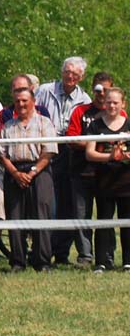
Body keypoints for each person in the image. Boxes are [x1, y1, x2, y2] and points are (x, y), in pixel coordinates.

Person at [35, 57, 92, 265]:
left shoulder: (84, 99)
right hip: (46, 149)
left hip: (71, 153)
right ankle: (41, 250)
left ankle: (61, 253)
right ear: (62, 71)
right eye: (67, 71)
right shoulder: (45, 90)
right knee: (46, 201)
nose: (70, 76)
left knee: (67, 203)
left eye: (75, 74)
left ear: (81, 77)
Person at [0, 81, 58, 272]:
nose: (21, 104)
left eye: (24, 100)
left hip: (39, 171)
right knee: (15, 216)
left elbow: (49, 152)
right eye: (17, 101)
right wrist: (16, 173)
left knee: (42, 215)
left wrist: (32, 172)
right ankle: (18, 261)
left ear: (33, 102)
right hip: (14, 171)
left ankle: (42, 261)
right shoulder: (8, 126)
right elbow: (2, 154)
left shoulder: (44, 123)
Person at [66, 72, 119, 268]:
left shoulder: (119, 114)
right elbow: (71, 139)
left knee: (106, 216)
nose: (102, 93)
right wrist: (96, 144)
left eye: (106, 89)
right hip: (81, 172)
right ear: (92, 88)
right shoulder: (80, 111)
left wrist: (94, 145)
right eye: (98, 89)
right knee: (82, 216)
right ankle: (85, 255)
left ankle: (107, 256)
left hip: (109, 174)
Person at [85, 87, 130, 273]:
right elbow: (90, 153)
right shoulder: (95, 125)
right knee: (103, 221)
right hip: (103, 181)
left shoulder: (129, 124)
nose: (112, 106)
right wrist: (110, 156)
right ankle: (101, 262)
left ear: (123, 104)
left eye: (115, 102)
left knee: (127, 222)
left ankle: (128, 262)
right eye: (109, 102)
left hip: (126, 182)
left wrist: (125, 156)